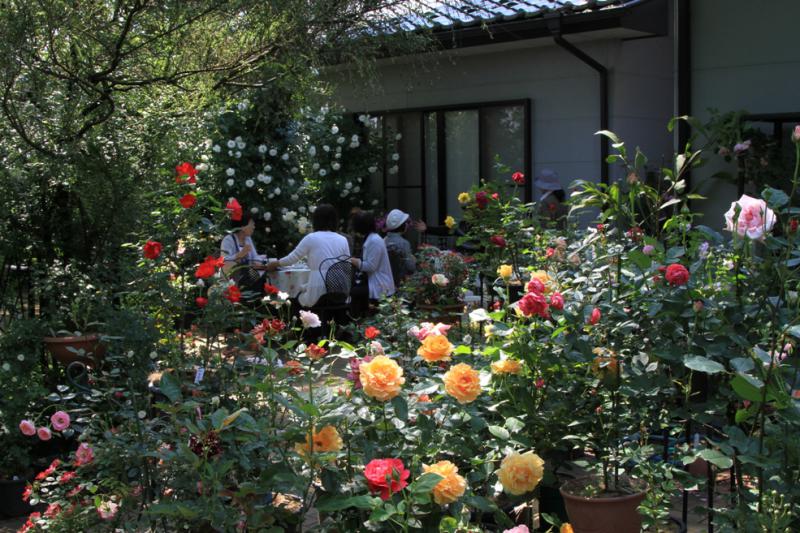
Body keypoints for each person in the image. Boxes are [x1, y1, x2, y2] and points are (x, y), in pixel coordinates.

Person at [266, 204, 350, 308]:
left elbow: (292, 258)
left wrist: (275, 263)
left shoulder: (311, 238)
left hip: (318, 288)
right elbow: (346, 264)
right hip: (340, 287)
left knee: (294, 299)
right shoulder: (343, 239)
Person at [349, 210, 395, 303]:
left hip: (379, 285)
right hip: (374, 282)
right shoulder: (371, 238)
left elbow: (370, 266)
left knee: (352, 292)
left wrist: (353, 260)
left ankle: (357, 316)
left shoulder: (374, 241)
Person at [220, 214, 268, 292]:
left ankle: (254, 299)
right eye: (252, 224)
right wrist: (239, 255)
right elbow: (223, 260)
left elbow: (254, 256)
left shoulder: (248, 239)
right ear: (242, 227)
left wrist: (258, 261)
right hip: (232, 278)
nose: (254, 227)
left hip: (246, 276)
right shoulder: (228, 239)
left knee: (263, 274)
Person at [383, 209, 421, 285]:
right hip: (400, 281)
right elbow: (411, 267)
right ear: (402, 225)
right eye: (406, 223)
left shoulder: (383, 240)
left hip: (386, 281)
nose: (407, 225)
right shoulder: (404, 243)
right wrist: (415, 261)